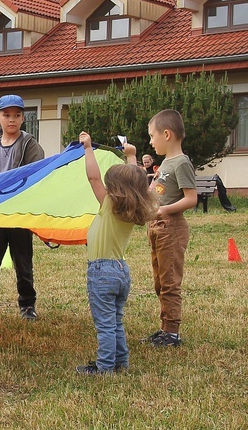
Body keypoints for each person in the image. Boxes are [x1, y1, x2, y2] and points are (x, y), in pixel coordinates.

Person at [75, 132, 157, 375]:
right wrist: (131, 156)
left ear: (115, 189)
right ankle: (121, 361)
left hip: (102, 272)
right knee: (115, 320)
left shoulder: (109, 204)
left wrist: (88, 148)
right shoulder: (134, 206)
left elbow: (92, 177)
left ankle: (105, 367)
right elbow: (135, 181)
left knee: (105, 325)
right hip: (121, 271)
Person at [0, 95, 45, 327]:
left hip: (19, 214)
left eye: (16, 115)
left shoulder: (30, 145)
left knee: (23, 262)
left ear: (23, 118)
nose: (11, 120)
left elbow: (37, 176)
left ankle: (27, 305)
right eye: (6, 115)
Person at [140, 109, 197, 348]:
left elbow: (191, 198)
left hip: (171, 228)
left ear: (166, 134)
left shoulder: (181, 163)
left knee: (170, 282)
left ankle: (172, 332)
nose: (151, 142)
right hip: (157, 227)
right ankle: (164, 329)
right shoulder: (165, 164)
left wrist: (164, 210)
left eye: (152, 136)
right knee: (159, 282)